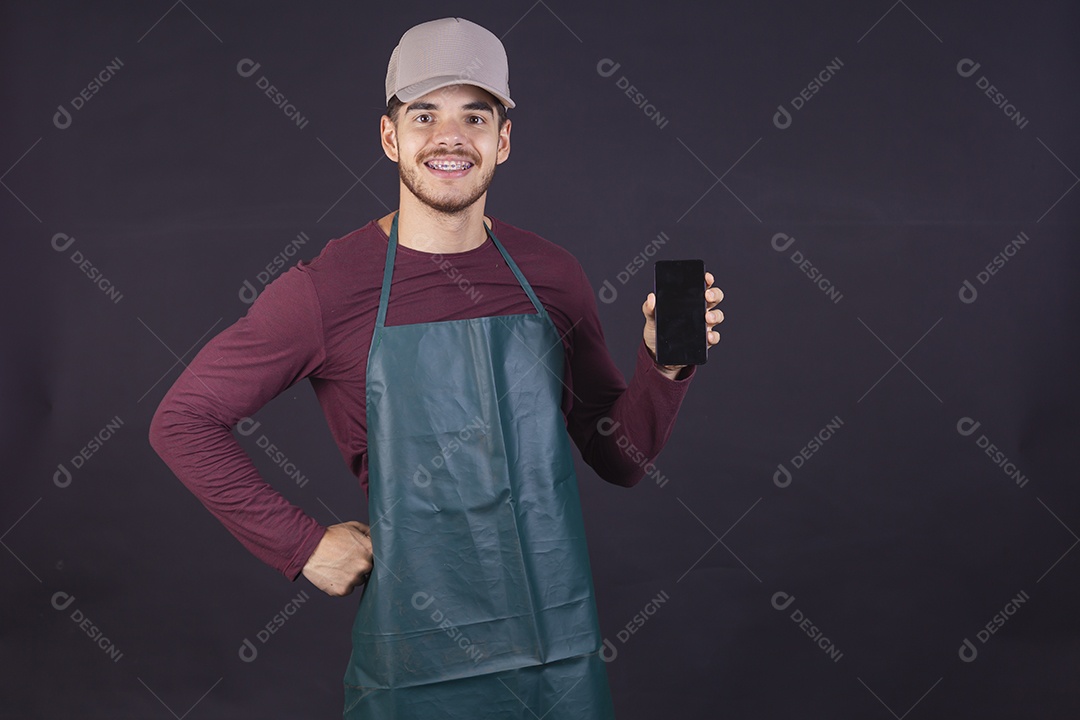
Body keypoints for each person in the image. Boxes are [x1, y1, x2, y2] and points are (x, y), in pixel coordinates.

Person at [149, 16, 723, 719]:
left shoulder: (552, 275)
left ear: (502, 141)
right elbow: (183, 420)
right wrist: (301, 546)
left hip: (555, 652)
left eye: (474, 117)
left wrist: (664, 368)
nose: (449, 138)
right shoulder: (324, 290)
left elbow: (618, 456)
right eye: (425, 115)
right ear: (391, 136)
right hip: (413, 660)